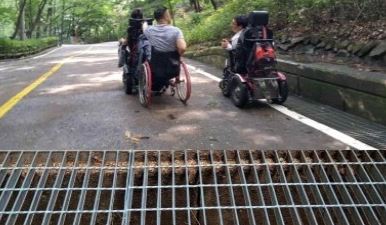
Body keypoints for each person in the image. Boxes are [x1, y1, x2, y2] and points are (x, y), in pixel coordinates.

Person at [143, 6, 187, 91]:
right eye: (169, 14)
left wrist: (144, 23)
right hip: (173, 66)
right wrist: (178, 55)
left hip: (156, 67)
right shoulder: (176, 31)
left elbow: (144, 28)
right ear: (166, 16)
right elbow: (182, 48)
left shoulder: (149, 30)